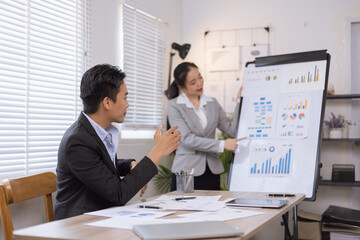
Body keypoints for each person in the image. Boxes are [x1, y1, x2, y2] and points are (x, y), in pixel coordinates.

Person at [55, 64, 181, 220]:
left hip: (102, 217)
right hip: (79, 224)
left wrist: (129, 165)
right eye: (125, 97)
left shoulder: (95, 131)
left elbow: (98, 165)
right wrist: (158, 151)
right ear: (107, 103)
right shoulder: (77, 142)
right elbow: (118, 194)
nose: (127, 104)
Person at [167, 62, 245, 191]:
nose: (199, 83)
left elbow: (232, 130)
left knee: (213, 210)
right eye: (193, 82)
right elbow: (186, 139)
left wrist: (239, 101)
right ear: (181, 87)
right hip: (187, 172)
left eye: (200, 77)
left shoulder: (212, 103)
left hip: (212, 171)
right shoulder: (174, 105)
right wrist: (221, 145)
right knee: (186, 211)